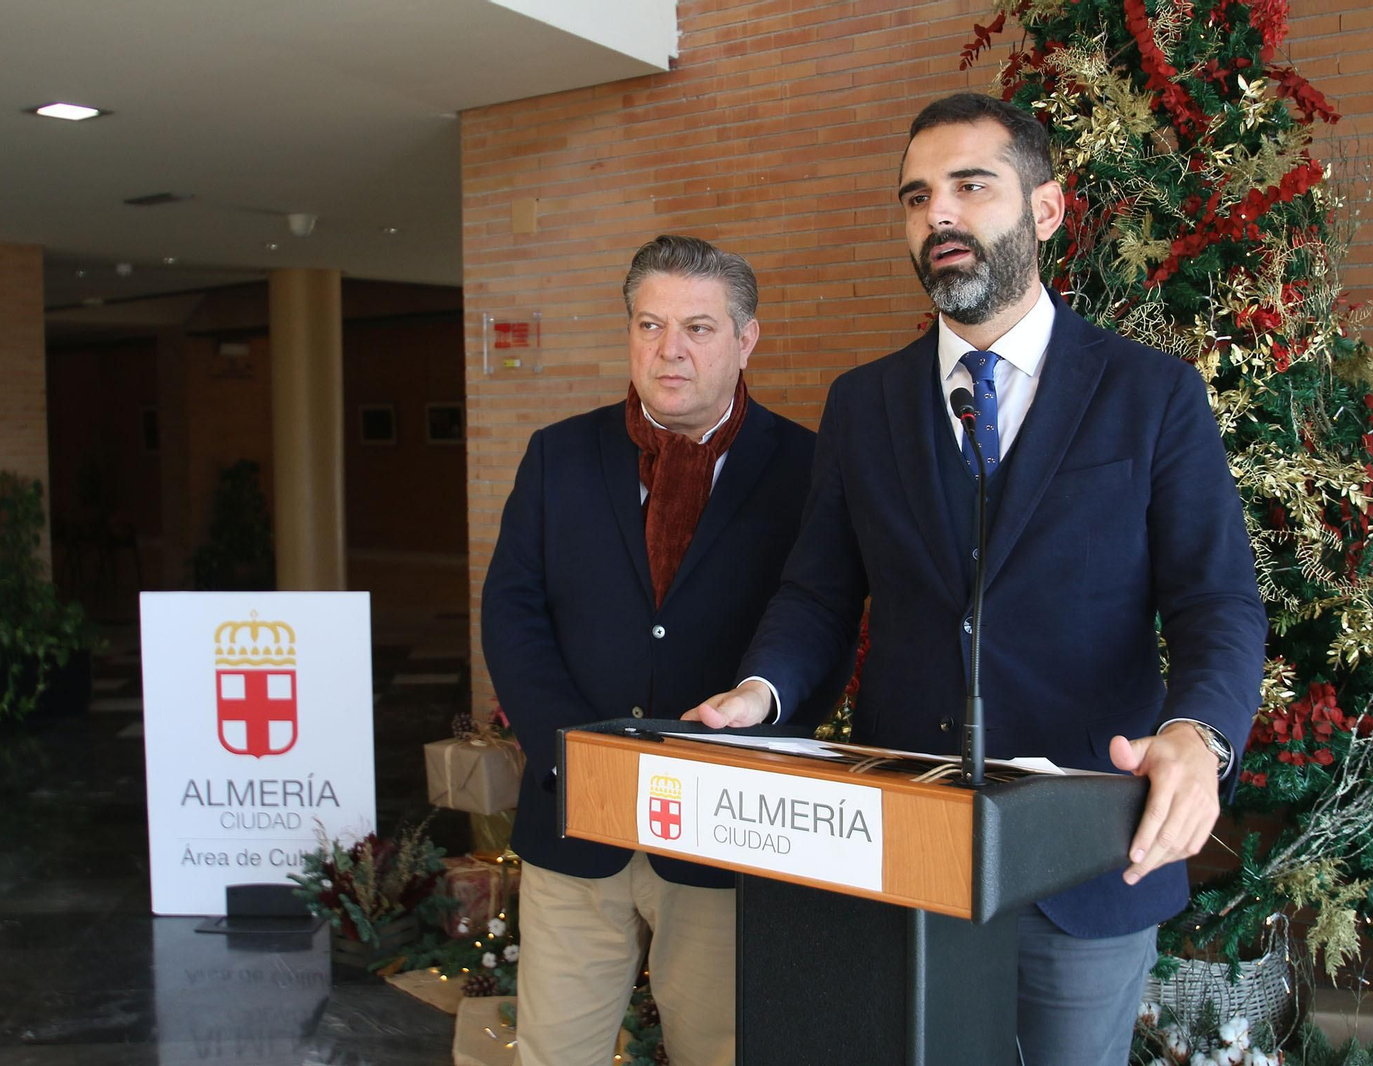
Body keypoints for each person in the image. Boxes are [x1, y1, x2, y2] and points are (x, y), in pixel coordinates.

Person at [685, 93, 1268, 1065]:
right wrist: (762, 689)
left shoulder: (1151, 395)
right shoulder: (861, 403)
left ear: (1045, 209)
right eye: (916, 198)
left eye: (970, 186)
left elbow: (1216, 600)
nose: (938, 216)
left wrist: (1198, 735)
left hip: (1086, 854)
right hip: (907, 847)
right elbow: (820, 594)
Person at [482, 234, 837, 1066]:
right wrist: (578, 757)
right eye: (649, 324)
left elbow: (818, 622)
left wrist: (746, 757)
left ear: (747, 339)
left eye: (699, 328)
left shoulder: (807, 468)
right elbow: (513, 614)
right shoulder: (558, 455)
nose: (669, 348)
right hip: (575, 819)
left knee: (723, 1051)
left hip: (724, 830)